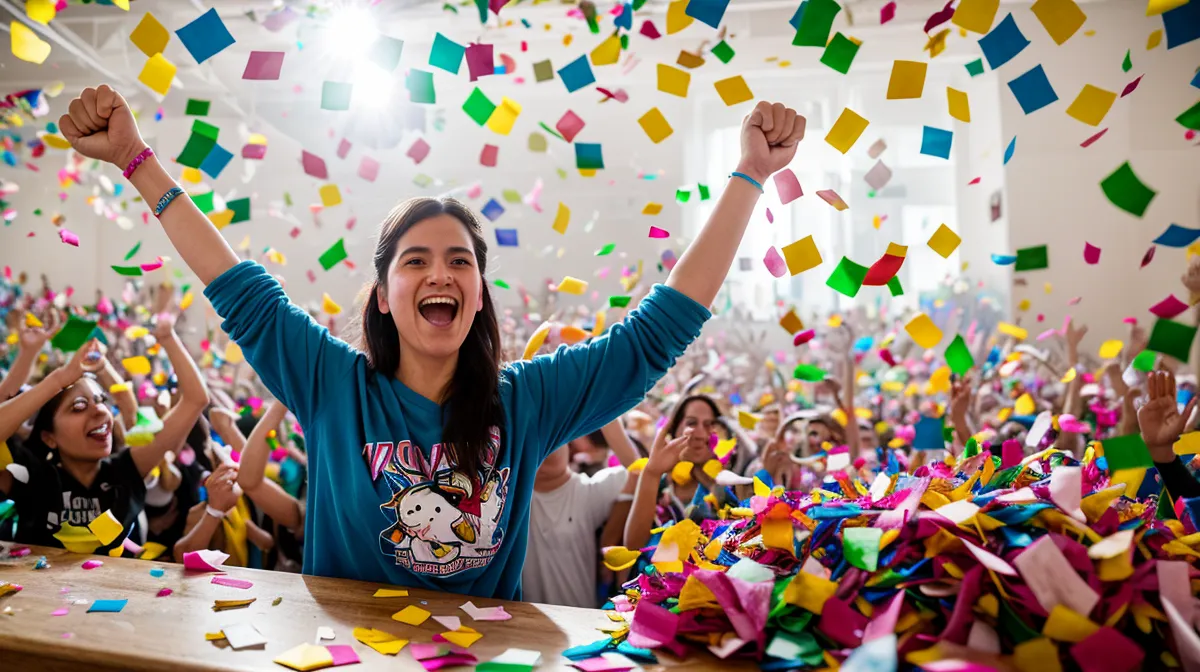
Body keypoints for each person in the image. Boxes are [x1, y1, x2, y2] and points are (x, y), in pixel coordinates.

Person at [58, 84, 805, 596]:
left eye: (460, 262)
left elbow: (658, 331)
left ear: (478, 296)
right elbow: (237, 285)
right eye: (415, 261)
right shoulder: (331, 384)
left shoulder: (527, 401)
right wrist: (134, 158)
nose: (440, 273)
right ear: (384, 298)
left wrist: (748, 174)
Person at [0, 315, 208, 555]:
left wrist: (168, 337)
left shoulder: (126, 470)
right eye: (79, 406)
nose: (100, 410)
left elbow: (195, 399)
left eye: (101, 400)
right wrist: (58, 379)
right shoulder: (33, 478)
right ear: (49, 437)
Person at [522, 419, 638, 607]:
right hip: (522, 619)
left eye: (551, 439)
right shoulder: (511, 496)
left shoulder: (588, 491)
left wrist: (606, 413)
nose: (543, 449)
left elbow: (639, 472)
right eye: (533, 442)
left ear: (569, 443)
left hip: (579, 616)